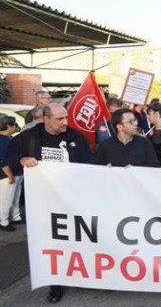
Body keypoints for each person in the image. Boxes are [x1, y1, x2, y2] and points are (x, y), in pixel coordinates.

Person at [10, 102, 93, 303]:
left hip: (71, 201)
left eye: (66, 117)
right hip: (42, 203)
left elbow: (90, 165)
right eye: (59, 119)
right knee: (51, 244)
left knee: (76, 240)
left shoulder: (76, 137)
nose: (65, 122)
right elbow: (10, 156)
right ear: (45, 119)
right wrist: (21, 160)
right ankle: (55, 284)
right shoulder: (28, 137)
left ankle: (81, 275)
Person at [0, 116, 18, 231]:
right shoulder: (3, 141)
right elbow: (2, 160)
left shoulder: (7, 138)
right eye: (14, 124)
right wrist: (10, 175)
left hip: (5, 174)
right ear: (9, 126)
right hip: (5, 176)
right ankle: (4, 222)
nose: (16, 126)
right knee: (6, 199)